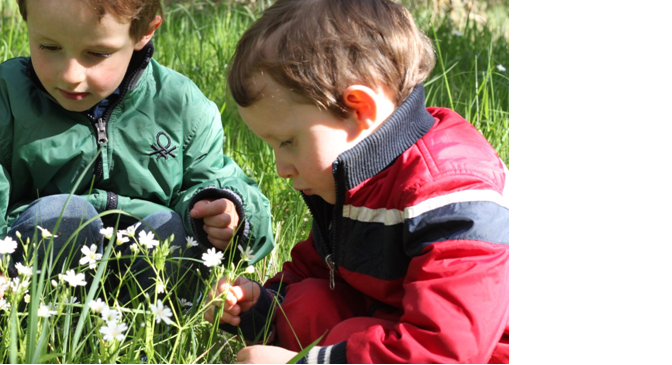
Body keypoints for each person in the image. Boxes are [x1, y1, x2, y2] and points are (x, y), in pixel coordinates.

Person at [0, 0, 274, 311]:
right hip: (37, 279)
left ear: (144, 31)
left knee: (170, 229)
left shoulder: (180, 105)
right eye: (49, 47)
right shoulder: (5, 99)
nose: (70, 75)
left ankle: (151, 336)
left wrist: (228, 212)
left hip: (154, 289)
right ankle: (36, 330)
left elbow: (215, 178)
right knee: (64, 217)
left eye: (97, 54)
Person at [203, 0, 509, 363]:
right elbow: (318, 267)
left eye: (287, 142)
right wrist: (261, 307)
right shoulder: (357, 176)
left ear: (359, 109)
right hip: (394, 324)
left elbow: (443, 349)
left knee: (345, 331)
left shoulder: (451, 193)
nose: (280, 167)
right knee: (309, 301)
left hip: (483, 353)